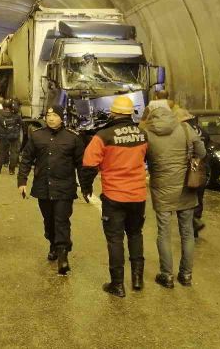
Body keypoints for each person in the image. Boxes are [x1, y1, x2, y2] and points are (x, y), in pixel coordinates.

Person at [82, 96, 148, 298]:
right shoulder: (142, 134)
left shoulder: (103, 136)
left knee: (115, 239)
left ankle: (117, 285)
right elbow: (147, 159)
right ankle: (137, 280)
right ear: (130, 113)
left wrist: (86, 189)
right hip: (138, 195)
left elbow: (89, 166)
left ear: (113, 113)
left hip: (114, 196)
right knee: (135, 235)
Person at [18, 106, 92, 275]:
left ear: (61, 118)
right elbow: (26, 159)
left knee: (61, 221)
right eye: (48, 115)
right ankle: (53, 243)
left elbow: (82, 165)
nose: (51, 118)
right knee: (49, 221)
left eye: (55, 115)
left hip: (64, 188)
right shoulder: (37, 136)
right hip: (43, 187)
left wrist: (86, 187)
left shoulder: (73, 138)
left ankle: (63, 255)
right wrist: (22, 181)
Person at [144, 107, 206, 288]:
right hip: (185, 186)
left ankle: (167, 275)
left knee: (163, 232)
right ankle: (186, 275)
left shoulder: (147, 133)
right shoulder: (186, 129)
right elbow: (201, 153)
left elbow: (142, 157)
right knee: (187, 233)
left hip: (161, 186)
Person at [174, 108, 210, 238]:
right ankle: (196, 221)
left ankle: (192, 224)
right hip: (199, 166)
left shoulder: (182, 129)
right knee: (198, 195)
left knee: (185, 197)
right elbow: (204, 150)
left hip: (187, 165)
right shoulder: (201, 130)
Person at [0, 99, 23, 175]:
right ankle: (11, 170)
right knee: (14, 153)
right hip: (14, 136)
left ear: (3, 106)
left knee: (1, 153)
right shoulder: (16, 115)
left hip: (3, 136)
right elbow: (21, 123)